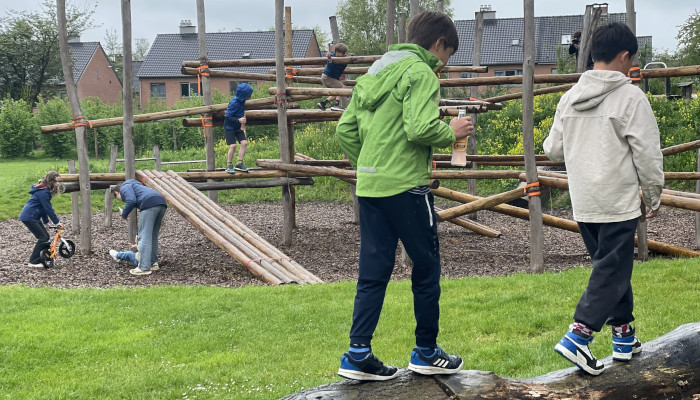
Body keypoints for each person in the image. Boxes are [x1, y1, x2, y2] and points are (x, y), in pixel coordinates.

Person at [335, 11, 474, 381]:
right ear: (439, 43)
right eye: (449, 55)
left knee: (373, 272)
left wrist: (367, 163)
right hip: (407, 189)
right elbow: (418, 128)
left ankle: (358, 354)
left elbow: (345, 128)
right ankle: (427, 352)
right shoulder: (421, 72)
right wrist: (452, 129)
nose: (445, 64)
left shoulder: (376, 71)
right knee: (426, 268)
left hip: (370, 186)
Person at [543, 22, 664, 376]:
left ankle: (624, 335)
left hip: (584, 201)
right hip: (617, 199)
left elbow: (552, 150)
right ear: (625, 56)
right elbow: (648, 156)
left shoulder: (570, 97)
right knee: (612, 270)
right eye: (632, 60)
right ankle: (578, 336)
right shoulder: (631, 98)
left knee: (610, 268)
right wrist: (653, 196)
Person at [113, 180, 168, 276]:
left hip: (149, 205)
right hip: (160, 203)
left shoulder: (125, 187)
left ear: (117, 192)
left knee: (145, 238)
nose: (121, 200)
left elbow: (131, 200)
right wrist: (138, 233)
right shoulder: (137, 187)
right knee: (152, 236)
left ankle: (144, 267)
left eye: (118, 197)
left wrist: (124, 214)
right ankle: (153, 263)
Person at [19, 171, 64, 268]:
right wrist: (57, 223)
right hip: (30, 217)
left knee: (46, 237)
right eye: (56, 181)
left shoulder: (44, 191)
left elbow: (43, 209)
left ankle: (44, 258)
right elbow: (48, 209)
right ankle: (34, 262)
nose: (58, 184)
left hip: (32, 216)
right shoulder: (43, 192)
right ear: (51, 181)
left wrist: (46, 222)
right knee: (43, 238)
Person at [224, 83, 254, 173]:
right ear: (243, 95)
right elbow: (227, 117)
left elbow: (241, 113)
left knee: (244, 143)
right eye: (248, 95)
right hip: (229, 127)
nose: (250, 97)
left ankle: (239, 163)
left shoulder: (242, 101)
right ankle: (229, 165)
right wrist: (239, 120)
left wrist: (242, 123)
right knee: (233, 146)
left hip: (238, 127)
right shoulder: (234, 103)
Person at [316, 43, 353, 111]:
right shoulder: (332, 57)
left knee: (337, 92)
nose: (344, 55)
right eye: (343, 53)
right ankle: (336, 105)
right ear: (337, 52)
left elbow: (344, 63)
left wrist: (350, 58)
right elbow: (330, 65)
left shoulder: (342, 59)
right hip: (328, 77)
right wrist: (330, 59)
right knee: (342, 88)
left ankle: (323, 103)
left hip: (328, 78)